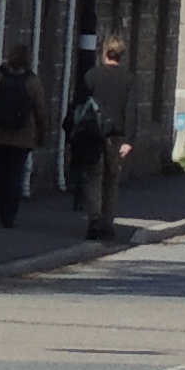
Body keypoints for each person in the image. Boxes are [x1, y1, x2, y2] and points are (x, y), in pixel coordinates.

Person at [66, 43, 133, 241]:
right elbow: (131, 111)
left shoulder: (92, 76)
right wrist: (128, 140)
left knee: (93, 178)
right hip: (115, 136)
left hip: (92, 134)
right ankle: (107, 224)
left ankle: (94, 219)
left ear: (104, 53)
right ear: (122, 55)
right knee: (111, 181)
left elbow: (78, 104)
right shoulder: (128, 79)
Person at [0, 58, 44, 230]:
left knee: (0, 174)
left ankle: (2, 212)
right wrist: (41, 135)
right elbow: (40, 110)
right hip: (22, 137)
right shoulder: (32, 81)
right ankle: (10, 216)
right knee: (15, 176)